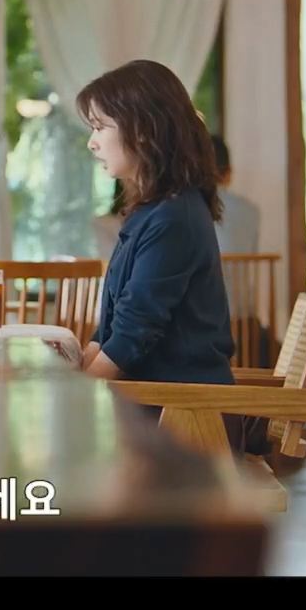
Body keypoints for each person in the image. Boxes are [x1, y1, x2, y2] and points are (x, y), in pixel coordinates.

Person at [73, 59, 234, 384]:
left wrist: (77, 395)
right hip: (151, 397)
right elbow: (114, 330)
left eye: (100, 127)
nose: (92, 142)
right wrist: (75, 374)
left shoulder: (173, 218)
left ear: (143, 131)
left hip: (177, 407)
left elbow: (131, 336)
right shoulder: (153, 211)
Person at [211, 135, 261, 254]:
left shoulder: (196, 209)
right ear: (229, 173)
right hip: (243, 268)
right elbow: (253, 254)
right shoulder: (252, 211)